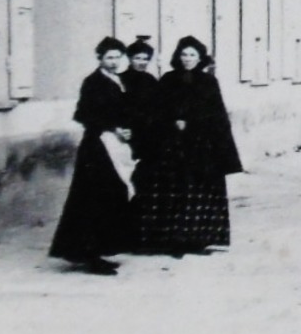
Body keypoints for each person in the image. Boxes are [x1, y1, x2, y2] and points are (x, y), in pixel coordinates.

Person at [134, 36, 243, 256]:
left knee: (199, 192)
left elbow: (217, 114)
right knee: (173, 192)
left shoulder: (209, 82)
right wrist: (173, 120)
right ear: (178, 56)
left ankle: (197, 241)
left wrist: (194, 123)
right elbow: (156, 109)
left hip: (201, 146)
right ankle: (172, 241)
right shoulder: (167, 79)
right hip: (172, 145)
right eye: (184, 54)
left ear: (201, 58)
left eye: (192, 55)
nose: (188, 59)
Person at [48, 37, 137, 275]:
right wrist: (112, 126)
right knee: (93, 199)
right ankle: (89, 254)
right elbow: (83, 114)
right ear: (100, 59)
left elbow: (124, 110)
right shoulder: (93, 82)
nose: (114, 62)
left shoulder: (119, 80)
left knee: (113, 196)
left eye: (118, 57)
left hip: (114, 145)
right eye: (109, 57)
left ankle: (103, 248)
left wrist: (126, 127)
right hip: (96, 148)